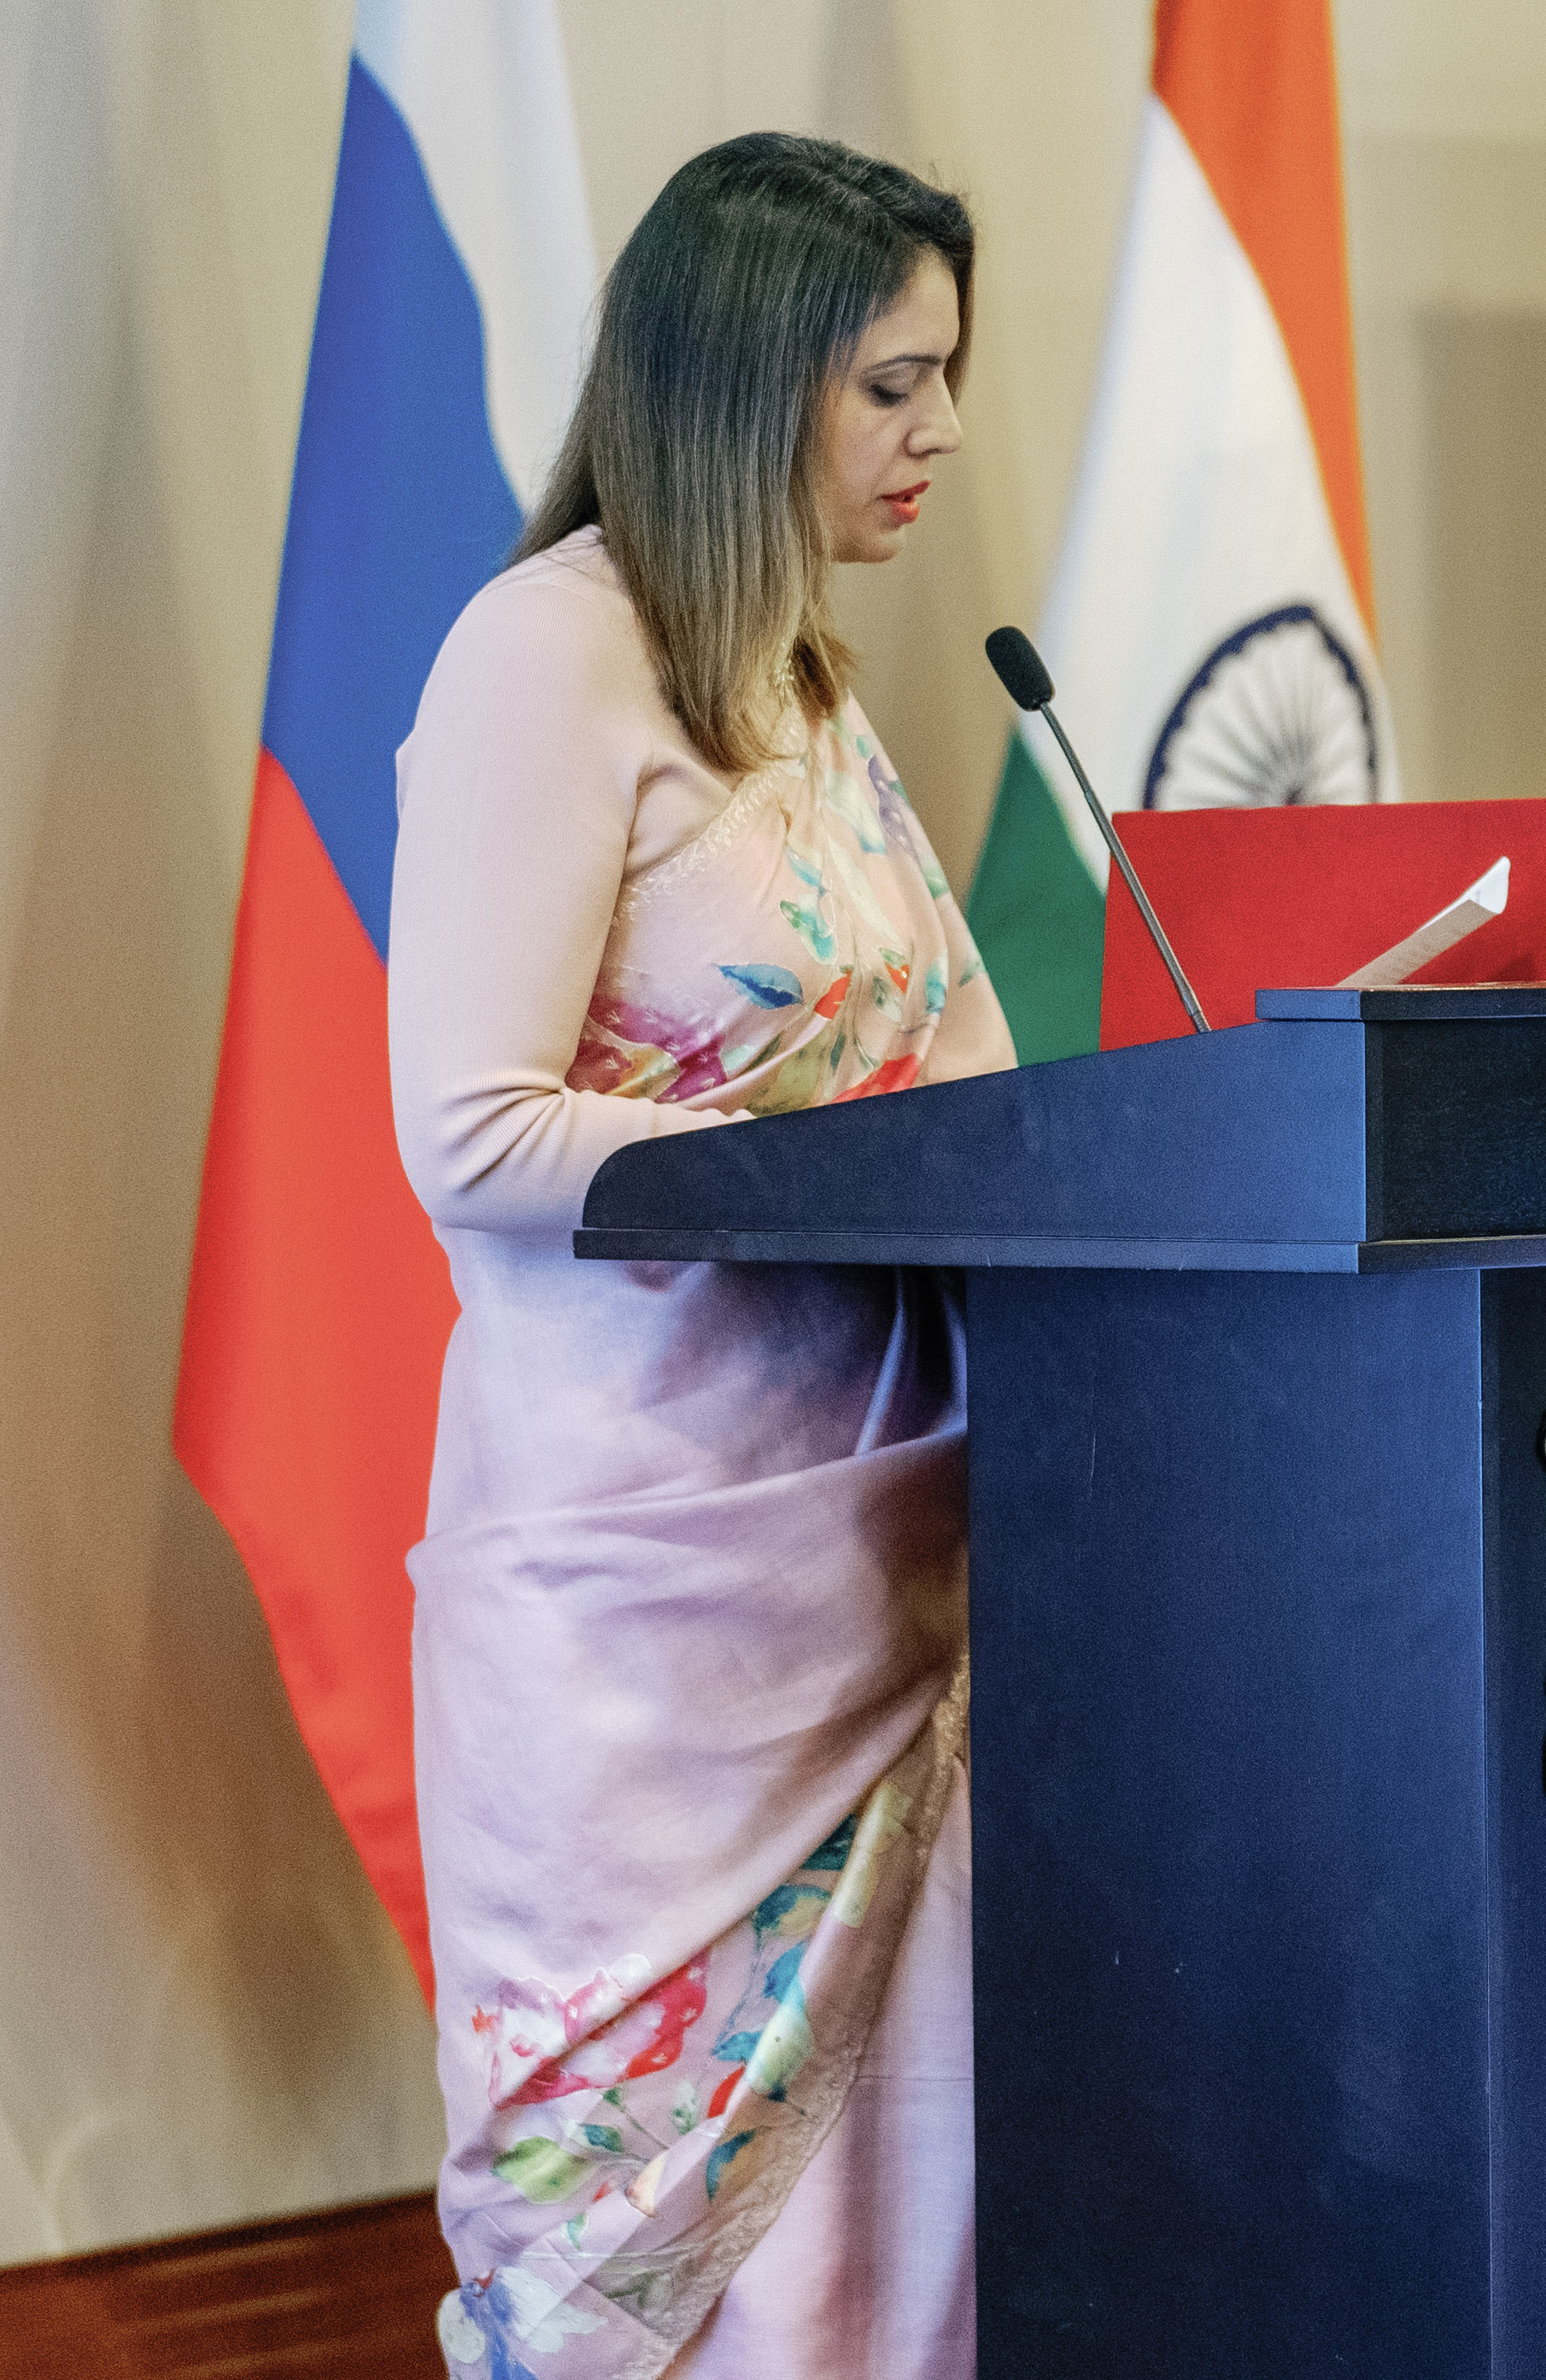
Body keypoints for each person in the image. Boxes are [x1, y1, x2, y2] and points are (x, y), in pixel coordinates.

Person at [389, 137, 1005, 2377]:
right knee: (628, 2255)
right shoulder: (544, 654)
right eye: (892, 386)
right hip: (645, 1598)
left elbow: (970, 1081)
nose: (942, 432)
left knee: (897, 2236)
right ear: (746, 383)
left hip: (882, 1564)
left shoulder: (806, 681)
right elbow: (470, 1128)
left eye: (946, 380)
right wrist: (823, 1173)